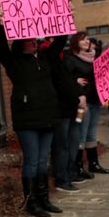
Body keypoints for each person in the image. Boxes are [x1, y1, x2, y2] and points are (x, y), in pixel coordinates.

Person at [0, 17, 63, 217]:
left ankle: (44, 199)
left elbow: (59, 41)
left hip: (47, 116)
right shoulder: (14, 63)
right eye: (28, 40)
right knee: (32, 161)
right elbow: (0, 48)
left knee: (43, 160)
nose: (33, 42)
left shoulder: (44, 58)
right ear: (19, 44)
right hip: (27, 120)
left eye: (34, 40)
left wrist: (65, 18)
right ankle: (31, 202)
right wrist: (0, 25)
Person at [40, 37, 87, 192]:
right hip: (61, 109)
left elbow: (68, 81)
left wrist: (79, 96)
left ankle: (71, 173)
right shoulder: (48, 54)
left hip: (72, 107)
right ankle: (62, 178)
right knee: (62, 145)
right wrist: (76, 98)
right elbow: (61, 84)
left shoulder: (61, 58)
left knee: (73, 141)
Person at [64, 32, 109, 178]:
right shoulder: (70, 58)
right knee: (80, 133)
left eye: (87, 39)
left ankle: (93, 163)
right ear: (75, 42)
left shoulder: (93, 57)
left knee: (91, 133)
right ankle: (77, 166)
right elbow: (64, 77)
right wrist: (74, 80)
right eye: (82, 39)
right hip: (82, 105)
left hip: (95, 101)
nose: (86, 41)